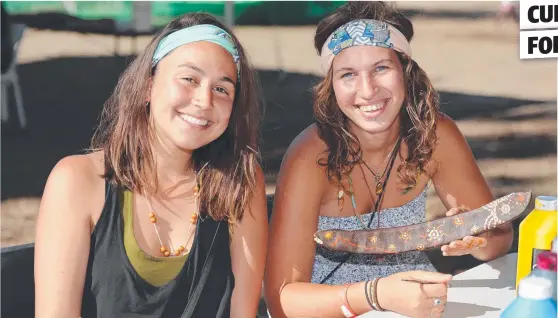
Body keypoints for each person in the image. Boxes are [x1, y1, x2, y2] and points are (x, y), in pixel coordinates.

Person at [264, 2, 514, 318]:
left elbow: (499, 242)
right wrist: (377, 294)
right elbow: (282, 300)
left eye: (381, 68)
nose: (367, 91)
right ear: (332, 85)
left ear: (406, 71)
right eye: (348, 74)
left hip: (414, 302)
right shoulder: (311, 155)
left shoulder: (436, 135)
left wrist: (478, 237)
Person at [35, 12, 268, 318]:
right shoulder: (78, 181)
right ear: (148, 86)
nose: (204, 100)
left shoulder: (240, 181)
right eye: (189, 79)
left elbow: (243, 312)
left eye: (222, 89)